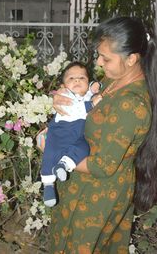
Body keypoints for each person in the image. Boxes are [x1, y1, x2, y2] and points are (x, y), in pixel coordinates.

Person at [38, 16, 157, 253]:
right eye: (99, 55)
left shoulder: (131, 105)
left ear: (132, 59)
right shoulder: (112, 80)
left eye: (106, 58)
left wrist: (51, 149)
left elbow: (102, 165)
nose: (99, 63)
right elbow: (84, 104)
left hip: (98, 196)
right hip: (78, 184)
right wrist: (63, 97)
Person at [39, 61, 102, 207]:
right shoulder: (64, 95)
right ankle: (48, 187)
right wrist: (91, 105)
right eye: (71, 79)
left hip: (80, 134)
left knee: (83, 148)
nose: (77, 81)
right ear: (63, 84)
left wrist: (95, 87)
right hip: (61, 131)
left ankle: (64, 165)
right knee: (51, 153)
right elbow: (74, 109)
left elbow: (95, 89)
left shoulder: (87, 95)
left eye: (82, 78)